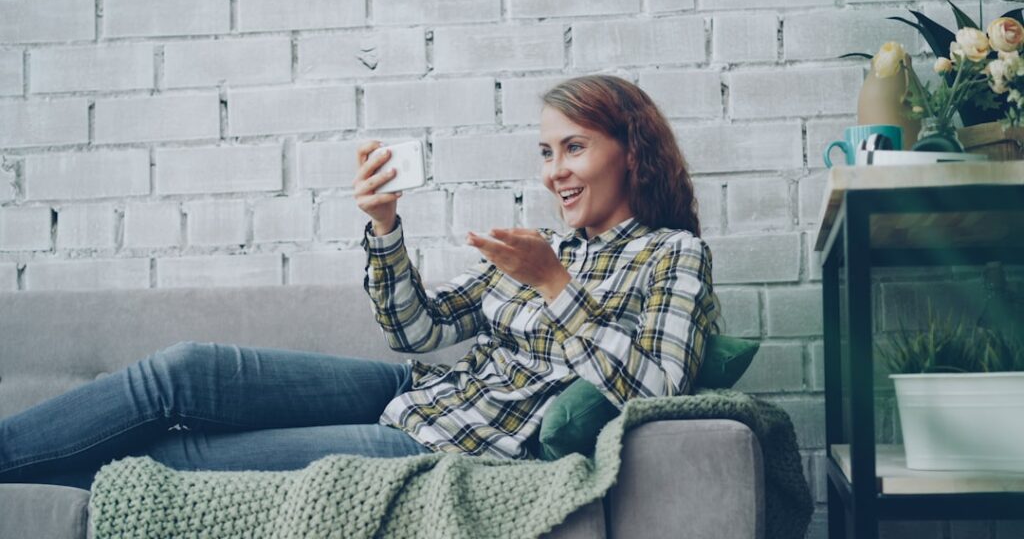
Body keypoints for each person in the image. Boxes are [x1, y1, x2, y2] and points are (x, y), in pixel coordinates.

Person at [0, 74, 719, 490]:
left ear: (632, 152)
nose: (553, 169)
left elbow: (655, 390)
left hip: (451, 444)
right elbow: (420, 331)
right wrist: (384, 226)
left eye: (573, 147)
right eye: (545, 151)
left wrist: (557, 285)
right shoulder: (546, 244)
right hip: (413, 393)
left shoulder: (671, 257)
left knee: (181, 459)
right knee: (184, 370)